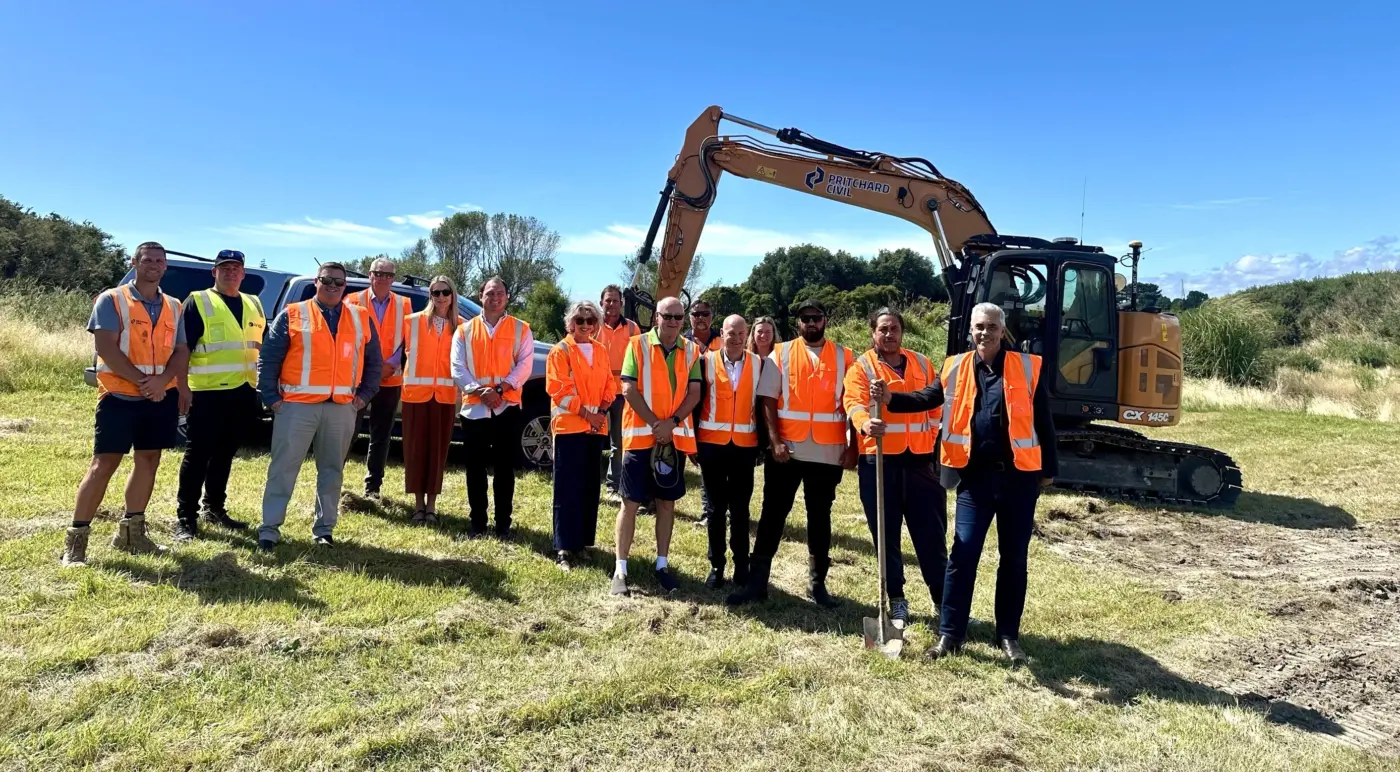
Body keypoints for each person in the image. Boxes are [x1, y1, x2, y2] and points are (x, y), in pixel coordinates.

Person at [870, 302, 1058, 665]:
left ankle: (1008, 636)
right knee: (962, 554)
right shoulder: (955, 366)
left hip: (1019, 479)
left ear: (1002, 330)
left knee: (1014, 560)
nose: (983, 333)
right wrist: (892, 399)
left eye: (990, 326)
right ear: (970, 331)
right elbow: (929, 397)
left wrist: (1047, 471)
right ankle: (950, 635)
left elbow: (1043, 422)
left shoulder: (1027, 366)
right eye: (977, 327)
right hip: (974, 480)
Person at [62, 242, 189, 566]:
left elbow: (181, 351)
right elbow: (106, 347)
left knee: (149, 461)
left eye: (160, 260)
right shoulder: (112, 299)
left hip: (159, 397)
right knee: (104, 465)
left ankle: (132, 533)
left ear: (165, 266)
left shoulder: (175, 306)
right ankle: (76, 541)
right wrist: (143, 382)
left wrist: (161, 383)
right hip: (119, 396)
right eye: (148, 259)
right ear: (134, 263)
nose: (154, 265)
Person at [727, 299, 857, 608]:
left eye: (816, 318)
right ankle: (757, 583)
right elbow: (767, 399)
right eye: (805, 319)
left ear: (825, 320)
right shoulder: (781, 354)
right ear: (797, 323)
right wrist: (775, 442)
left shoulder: (845, 357)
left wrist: (853, 447)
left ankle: (818, 585)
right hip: (787, 451)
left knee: (820, 517)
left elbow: (853, 403)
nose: (811, 323)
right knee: (772, 514)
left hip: (827, 451)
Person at [256, 262, 381, 549]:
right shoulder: (293, 314)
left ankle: (324, 530)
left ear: (345, 285)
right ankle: (269, 529)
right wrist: (272, 399)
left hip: (341, 409)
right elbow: (269, 359)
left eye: (339, 282)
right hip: (296, 408)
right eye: (328, 281)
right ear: (316, 281)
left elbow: (374, 363)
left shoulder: (361, 317)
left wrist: (362, 398)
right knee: (283, 469)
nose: (333, 287)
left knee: (332, 471)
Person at [842, 308, 947, 628]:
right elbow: (853, 403)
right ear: (873, 333)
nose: (889, 335)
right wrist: (864, 424)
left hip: (919, 462)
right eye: (883, 329)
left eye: (894, 329)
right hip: (880, 462)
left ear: (902, 332)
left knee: (931, 535)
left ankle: (943, 601)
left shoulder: (922, 363)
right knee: (885, 536)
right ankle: (897, 600)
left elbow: (934, 404)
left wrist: (931, 443)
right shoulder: (862, 368)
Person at [611, 296, 702, 597]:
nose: (674, 321)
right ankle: (620, 569)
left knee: (666, 503)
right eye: (668, 316)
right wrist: (655, 424)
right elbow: (628, 389)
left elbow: (694, 392)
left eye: (679, 316)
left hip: (671, 440)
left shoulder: (692, 349)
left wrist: (672, 423)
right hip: (640, 438)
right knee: (631, 504)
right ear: (657, 317)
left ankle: (661, 564)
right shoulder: (636, 345)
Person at [173, 249, 267, 542]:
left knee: (225, 453)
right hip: (206, 392)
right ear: (214, 272)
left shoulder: (254, 303)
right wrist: (182, 387)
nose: (230, 272)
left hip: (242, 391)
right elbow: (183, 348)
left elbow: (259, 347)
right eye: (224, 267)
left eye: (236, 268)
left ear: (243, 273)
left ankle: (214, 508)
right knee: (197, 454)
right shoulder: (198, 301)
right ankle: (185, 519)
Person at [451, 276, 533, 538]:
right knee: (475, 468)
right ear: (480, 296)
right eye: (489, 293)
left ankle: (503, 524)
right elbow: (457, 367)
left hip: (505, 407)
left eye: (499, 293)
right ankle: (477, 522)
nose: (495, 298)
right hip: (475, 408)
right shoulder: (464, 330)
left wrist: (500, 389)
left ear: (507, 297)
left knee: (504, 468)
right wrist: (480, 390)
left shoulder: (521, 329)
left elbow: (525, 366)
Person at [693, 314, 770, 589]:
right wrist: (693, 443)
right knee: (715, 510)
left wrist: (763, 444)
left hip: (744, 448)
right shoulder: (706, 361)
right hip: (711, 445)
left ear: (745, 334)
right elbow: (694, 402)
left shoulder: (759, 363)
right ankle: (716, 565)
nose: (735, 338)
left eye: (740, 333)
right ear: (721, 334)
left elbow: (763, 407)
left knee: (740, 509)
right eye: (730, 333)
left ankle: (741, 565)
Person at [546, 300, 616, 571]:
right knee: (567, 488)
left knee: (589, 487)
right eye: (580, 320)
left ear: (597, 324)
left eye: (590, 321)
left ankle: (583, 543)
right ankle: (564, 546)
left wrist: (602, 411)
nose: (585, 325)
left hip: (595, 428)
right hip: (570, 427)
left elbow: (610, 385)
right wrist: (589, 415)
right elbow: (558, 389)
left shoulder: (600, 350)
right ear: (570, 323)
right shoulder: (560, 351)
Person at [344, 257, 412, 498]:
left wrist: (390, 365)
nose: (383, 278)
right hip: (359, 380)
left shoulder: (405, 304)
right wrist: (372, 369)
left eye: (388, 275)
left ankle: (373, 488)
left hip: (390, 379)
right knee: (347, 433)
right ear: (369, 275)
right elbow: (347, 338)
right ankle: (334, 482)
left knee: (381, 436)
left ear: (393, 278)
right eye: (378, 273)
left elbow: (406, 339)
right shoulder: (352, 300)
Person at [399, 276, 460, 525]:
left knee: (437, 453)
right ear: (430, 295)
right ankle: (418, 505)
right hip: (415, 396)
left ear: (452, 294)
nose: (441, 297)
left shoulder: (462, 327)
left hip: (444, 397)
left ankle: (432, 506)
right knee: (415, 451)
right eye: (436, 292)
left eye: (446, 292)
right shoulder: (411, 322)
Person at [597, 285, 640, 503]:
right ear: (601, 302)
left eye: (615, 300)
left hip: (622, 395)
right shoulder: (591, 326)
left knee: (619, 443)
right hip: (596, 394)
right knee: (593, 439)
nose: (612, 304)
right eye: (608, 300)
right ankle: (590, 483)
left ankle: (614, 486)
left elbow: (639, 361)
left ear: (621, 303)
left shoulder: (632, 329)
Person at [746, 315, 782, 465]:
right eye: (760, 331)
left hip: (773, 412)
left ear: (774, 334)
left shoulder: (781, 357)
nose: (763, 336)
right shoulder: (745, 358)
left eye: (768, 332)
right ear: (753, 334)